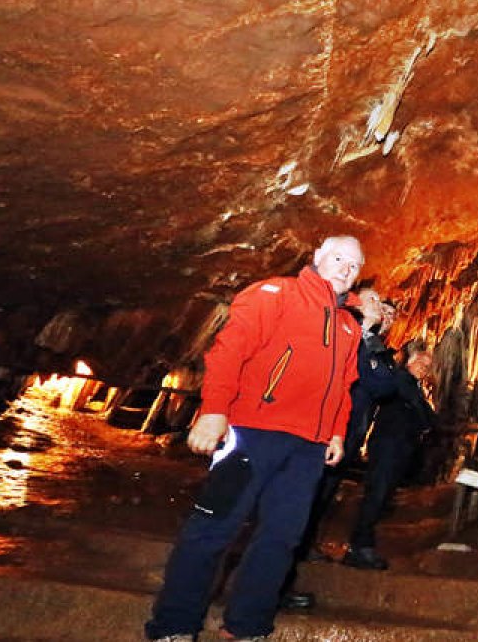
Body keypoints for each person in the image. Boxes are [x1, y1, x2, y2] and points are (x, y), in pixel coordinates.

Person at [146, 236, 364, 642]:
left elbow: (344, 385)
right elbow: (230, 350)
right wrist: (214, 410)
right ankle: (174, 625)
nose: (344, 269)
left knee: (281, 539)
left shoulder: (348, 325)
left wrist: (335, 431)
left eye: (353, 266)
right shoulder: (275, 293)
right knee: (213, 528)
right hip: (251, 430)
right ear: (317, 256)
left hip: (308, 447)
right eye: (338, 258)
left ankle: (246, 626)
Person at [292, 289, 393, 571]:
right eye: (373, 300)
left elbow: (384, 385)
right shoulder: (341, 333)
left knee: (325, 490)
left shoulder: (373, 344)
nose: (380, 307)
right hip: (326, 425)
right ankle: (293, 545)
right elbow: (369, 379)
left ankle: (303, 543)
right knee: (309, 488)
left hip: (350, 430)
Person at [341, 342, 436, 569]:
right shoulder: (401, 380)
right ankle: (359, 546)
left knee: (383, 495)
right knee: (377, 492)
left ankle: (363, 543)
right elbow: (420, 410)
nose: (425, 368)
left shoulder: (412, 385)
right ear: (410, 361)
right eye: (422, 362)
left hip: (398, 445)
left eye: (429, 366)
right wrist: (427, 419)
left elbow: (424, 412)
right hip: (388, 443)